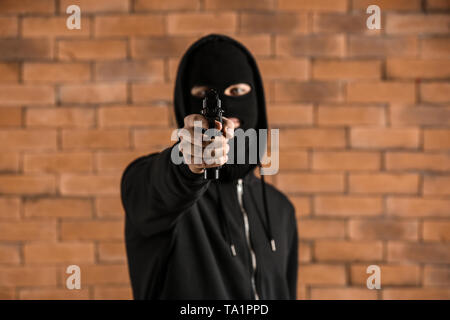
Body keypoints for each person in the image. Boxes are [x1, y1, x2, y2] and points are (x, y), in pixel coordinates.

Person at [120, 34, 298, 300]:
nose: (224, 111)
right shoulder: (162, 198)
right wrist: (187, 163)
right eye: (204, 94)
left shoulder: (280, 210)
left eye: (237, 91)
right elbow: (157, 188)